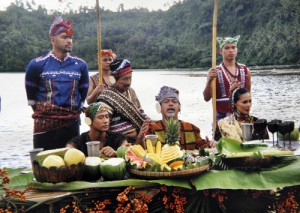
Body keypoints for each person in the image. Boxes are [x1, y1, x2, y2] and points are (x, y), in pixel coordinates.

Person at [25, 16, 89, 150]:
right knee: (43, 164)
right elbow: (31, 97)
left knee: (72, 162)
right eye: (64, 37)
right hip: (44, 124)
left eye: (71, 38)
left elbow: (82, 94)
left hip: (71, 124)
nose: (69, 41)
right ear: (53, 40)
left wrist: (70, 113)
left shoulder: (80, 65)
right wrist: (48, 114)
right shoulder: (36, 64)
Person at [137, 86, 215, 150]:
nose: (170, 104)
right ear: (159, 107)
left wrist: (209, 145)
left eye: (174, 102)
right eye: (166, 101)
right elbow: (142, 151)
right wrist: (140, 139)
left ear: (179, 108)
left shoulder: (192, 128)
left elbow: (202, 148)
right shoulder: (152, 128)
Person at [203, 35, 252, 122]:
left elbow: (248, 97)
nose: (231, 50)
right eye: (227, 48)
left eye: (233, 47)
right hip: (222, 119)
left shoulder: (245, 70)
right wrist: (209, 81)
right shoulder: (214, 72)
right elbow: (206, 98)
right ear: (221, 51)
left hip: (242, 118)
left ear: (237, 50)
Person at [97, 59, 146, 143]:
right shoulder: (106, 97)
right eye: (124, 79)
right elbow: (103, 127)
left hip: (138, 140)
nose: (128, 82)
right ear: (113, 79)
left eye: (130, 78)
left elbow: (140, 112)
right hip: (118, 143)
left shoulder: (131, 92)